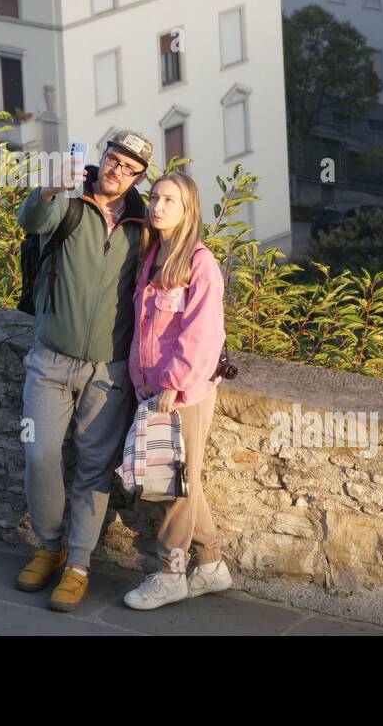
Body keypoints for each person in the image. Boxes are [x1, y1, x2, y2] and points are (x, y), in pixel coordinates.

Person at [15, 131, 154, 612]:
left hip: (108, 370)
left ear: (139, 177)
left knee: (94, 469)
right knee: (40, 454)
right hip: (50, 358)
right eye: (114, 159)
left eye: (130, 167)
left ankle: (77, 564)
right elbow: (31, 220)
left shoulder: (142, 225)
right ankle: (47, 546)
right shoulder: (71, 205)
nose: (118, 170)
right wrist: (50, 188)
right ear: (102, 157)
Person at [122, 170, 231, 610]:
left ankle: (171, 572)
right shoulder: (153, 257)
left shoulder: (200, 263)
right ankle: (210, 565)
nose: (157, 207)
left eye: (169, 201)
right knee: (184, 479)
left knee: (175, 485)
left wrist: (173, 384)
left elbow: (203, 334)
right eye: (154, 198)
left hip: (182, 394)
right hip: (152, 390)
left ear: (189, 210)